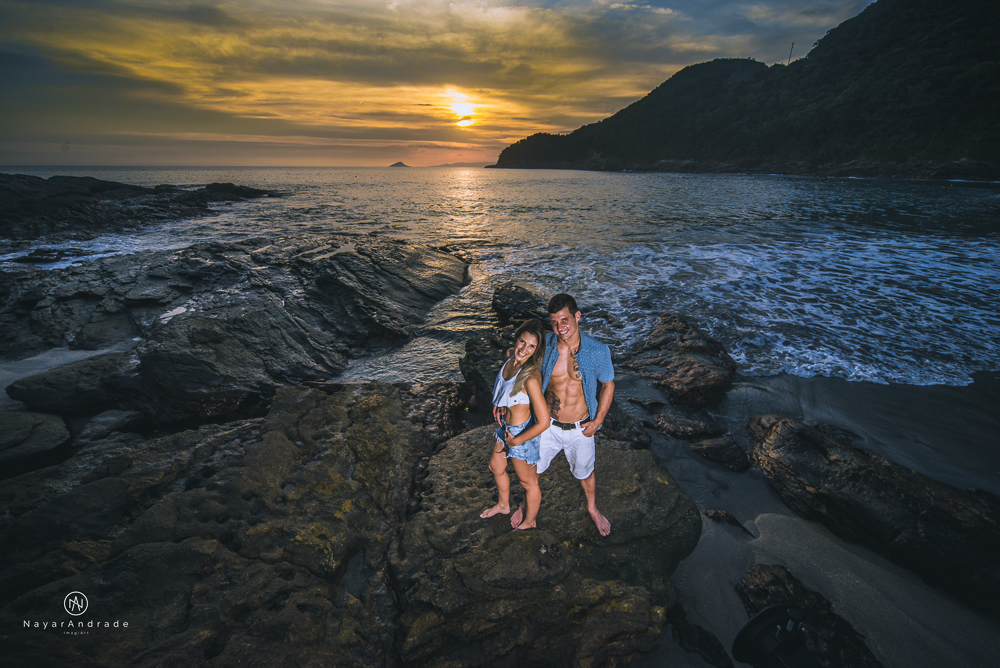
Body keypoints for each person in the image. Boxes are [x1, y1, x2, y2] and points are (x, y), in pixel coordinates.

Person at [511, 293, 614, 536]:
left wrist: (598, 420)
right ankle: (524, 505)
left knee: (585, 473)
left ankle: (592, 508)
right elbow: (518, 359)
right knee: (531, 470)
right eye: (555, 322)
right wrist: (502, 398)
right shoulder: (545, 346)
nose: (560, 328)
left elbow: (608, 384)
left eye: (565, 320)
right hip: (546, 425)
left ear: (577, 316)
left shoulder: (597, 351)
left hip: (581, 428)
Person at [480, 318, 550, 530]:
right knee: (496, 467)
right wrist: (501, 404)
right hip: (506, 428)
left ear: (537, 350)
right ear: (517, 339)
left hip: (520, 435)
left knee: (528, 483)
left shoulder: (531, 378)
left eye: (531, 346)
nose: (524, 349)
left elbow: (544, 421)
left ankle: (530, 521)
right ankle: (503, 505)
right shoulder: (511, 357)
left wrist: (517, 440)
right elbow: (507, 387)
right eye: (522, 342)